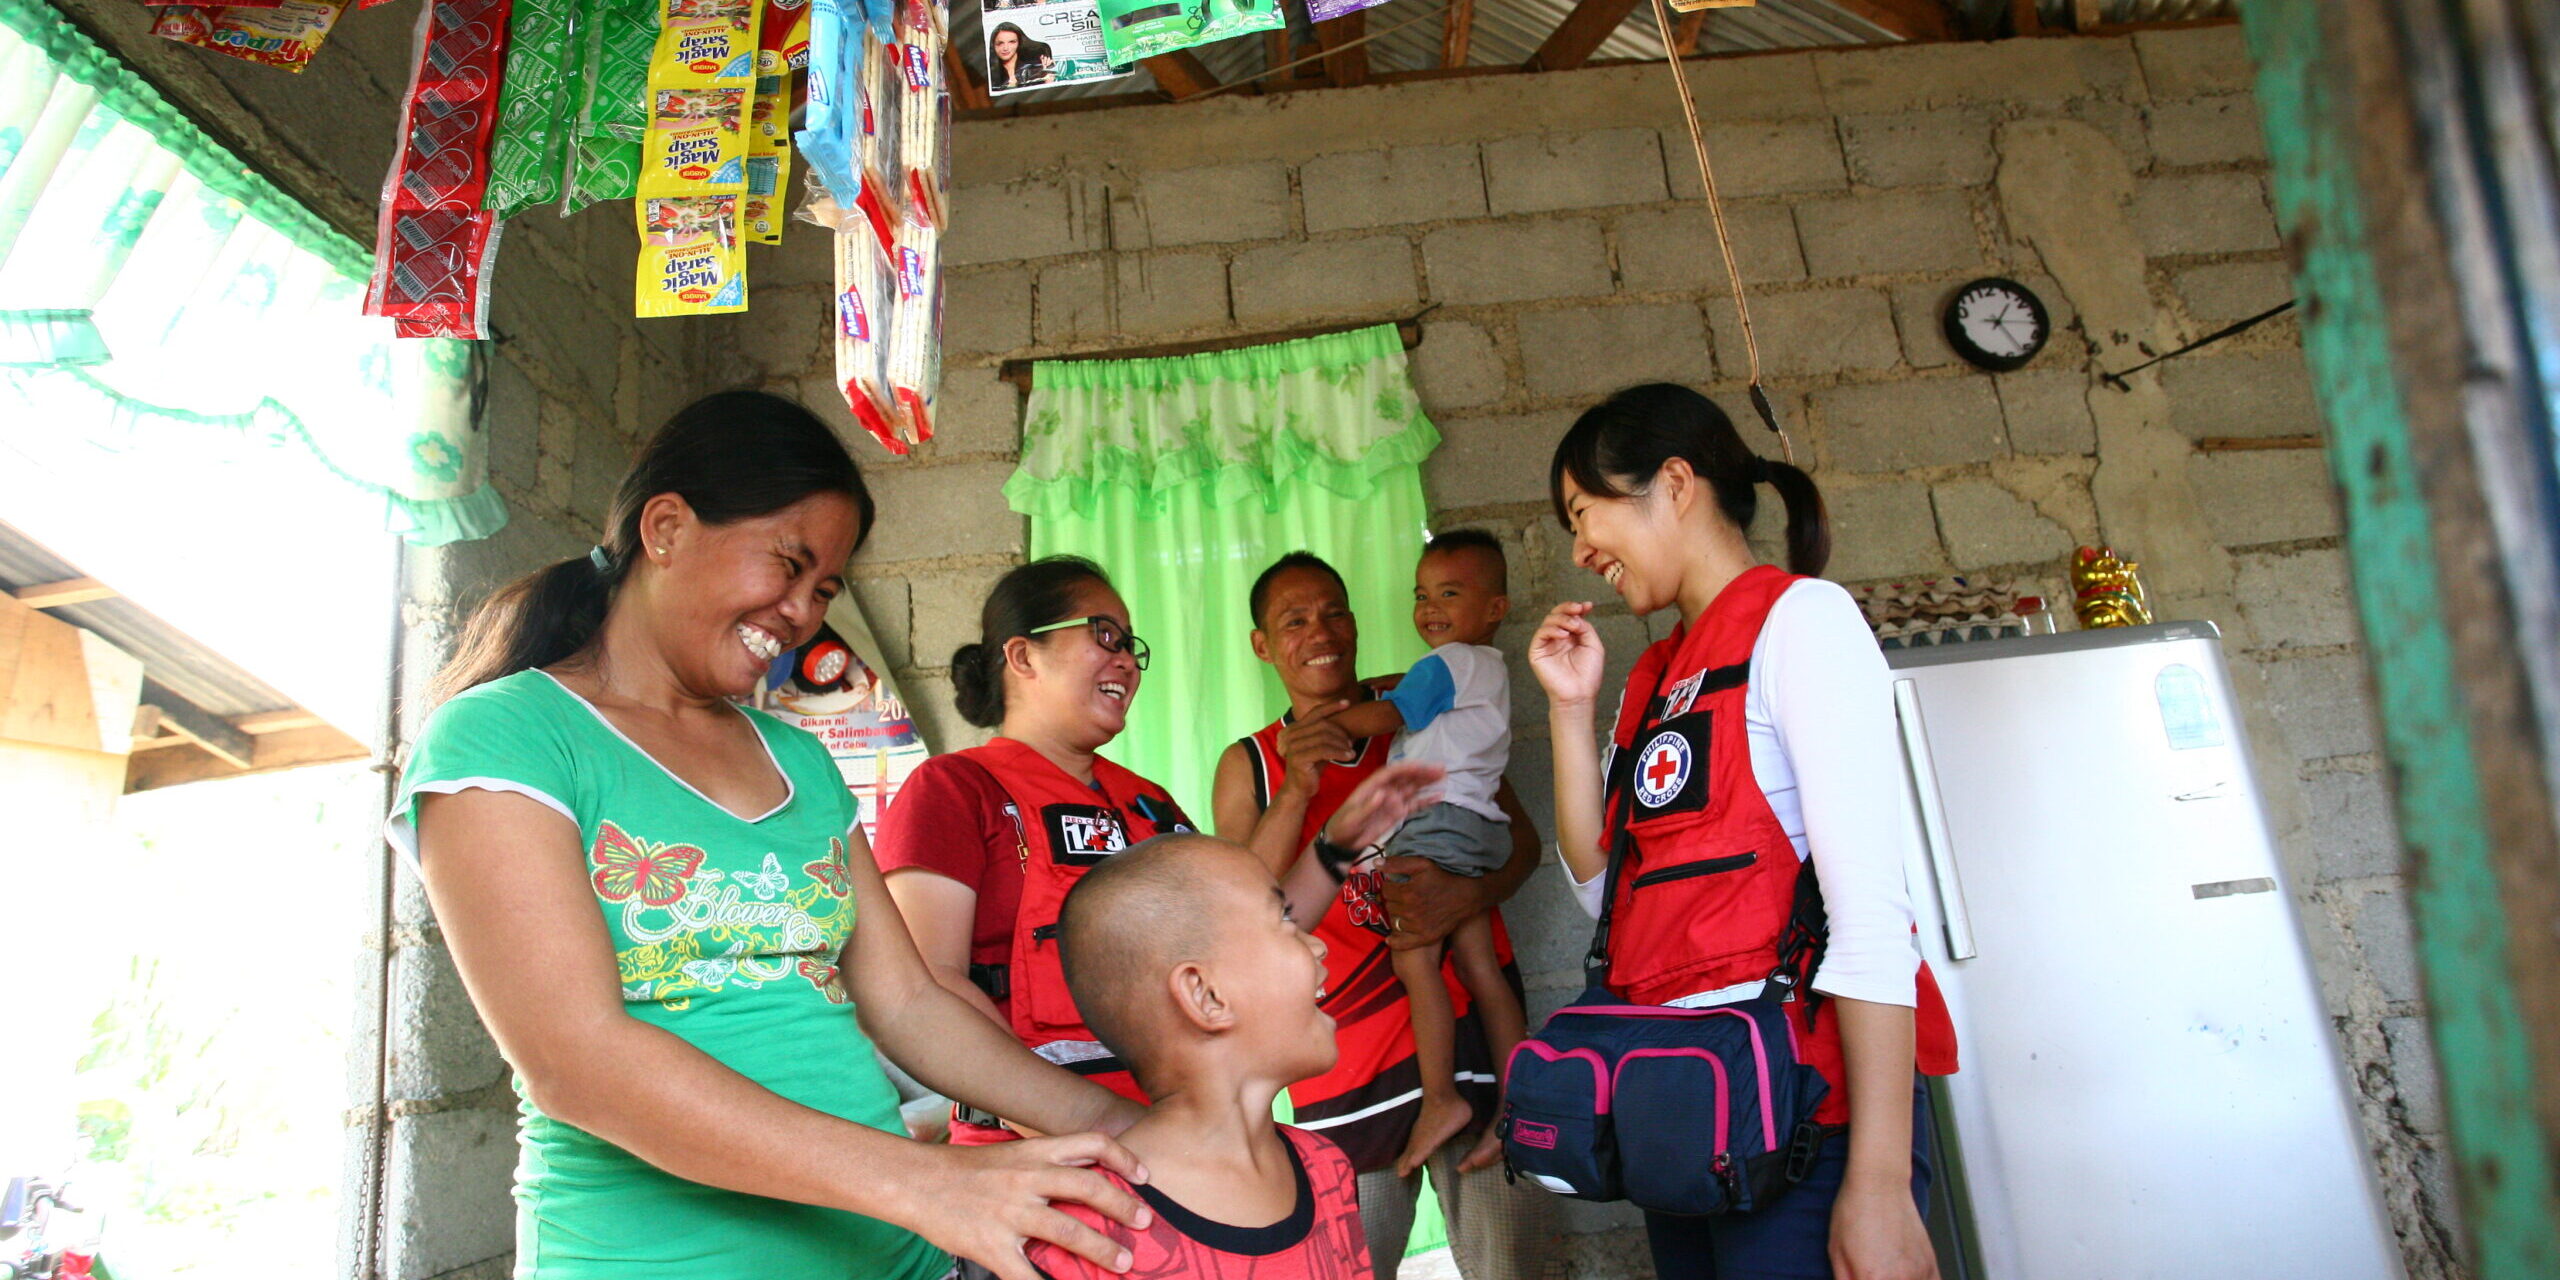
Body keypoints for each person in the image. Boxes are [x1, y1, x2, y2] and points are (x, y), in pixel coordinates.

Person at [393, 392, 1157, 1280]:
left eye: (823, 589)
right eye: (788, 566)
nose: (800, 612)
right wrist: (928, 1182)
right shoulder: (508, 737)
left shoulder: (799, 760)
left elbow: (909, 1003)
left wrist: (1120, 1132)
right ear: (667, 528)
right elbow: (578, 1060)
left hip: (892, 1260)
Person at [1527, 383, 1961, 1280]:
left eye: (1584, 512)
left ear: (1674, 483)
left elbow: (1872, 918)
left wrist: (1877, 1181)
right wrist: (1572, 714)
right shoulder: (1656, 673)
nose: (1579, 549)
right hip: (1690, 1120)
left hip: (1812, 1126)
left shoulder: (1801, 622)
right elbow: (1608, 896)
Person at [877, 556, 1437, 1138]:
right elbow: (925, 990)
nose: (1126, 660)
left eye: (1131, 646)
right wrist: (1112, 1133)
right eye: (1103, 636)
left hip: (1195, 1145)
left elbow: (1247, 938)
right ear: (1023, 656)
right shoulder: (953, 790)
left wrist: (1339, 844)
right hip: (1039, 1166)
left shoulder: (1149, 803)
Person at [1210, 551, 1556, 1280]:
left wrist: (1469, 896)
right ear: (1262, 646)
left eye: (1335, 611)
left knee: (1515, 1265)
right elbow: (1242, 912)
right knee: (1349, 1268)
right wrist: (1298, 790)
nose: (1322, 632)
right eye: (1294, 621)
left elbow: (1519, 843)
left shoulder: (1418, 705)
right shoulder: (1250, 763)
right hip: (1345, 1064)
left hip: (1469, 1041)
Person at [1027, 832, 1394, 1280]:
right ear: (1206, 995)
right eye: (1284, 920)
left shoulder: (1327, 1168)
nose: (1318, 945)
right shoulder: (1088, 1233)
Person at [1307, 531, 1526, 1178]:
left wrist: (1332, 725)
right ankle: (1518, 1101)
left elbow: (1389, 716)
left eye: (1450, 594)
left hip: (1435, 825)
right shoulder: (1487, 667)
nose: (1430, 607)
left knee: (1414, 958)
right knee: (1479, 966)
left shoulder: (1448, 664)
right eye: (1422, 595)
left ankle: (1440, 1100)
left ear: (1495, 608)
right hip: (1478, 825)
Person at [987, 23, 1053, 90]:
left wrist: (1048, 76)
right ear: (993, 45)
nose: (1005, 48)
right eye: (1000, 43)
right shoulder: (989, 75)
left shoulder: (1036, 69)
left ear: (1019, 43)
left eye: (1012, 42)